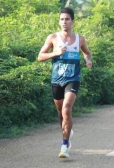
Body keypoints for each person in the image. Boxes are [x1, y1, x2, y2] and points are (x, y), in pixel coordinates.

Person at [37, 7, 92, 158]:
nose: (64, 22)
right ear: (59, 21)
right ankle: (67, 130)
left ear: (73, 21)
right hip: (57, 80)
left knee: (67, 109)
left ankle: (65, 145)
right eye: (62, 19)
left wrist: (88, 60)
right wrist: (55, 53)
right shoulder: (53, 38)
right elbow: (40, 56)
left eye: (67, 19)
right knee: (60, 114)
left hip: (73, 79)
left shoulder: (80, 39)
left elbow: (87, 53)